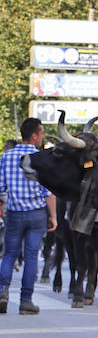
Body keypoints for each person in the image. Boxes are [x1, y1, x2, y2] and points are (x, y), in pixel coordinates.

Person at [0, 118, 58, 315]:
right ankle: (26, 301)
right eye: (41, 133)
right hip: (36, 215)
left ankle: (2, 293)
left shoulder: (5, 157)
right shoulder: (42, 158)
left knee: (9, 254)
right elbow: (48, 192)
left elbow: (0, 189)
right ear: (34, 135)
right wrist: (54, 216)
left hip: (14, 213)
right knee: (32, 256)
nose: (42, 137)